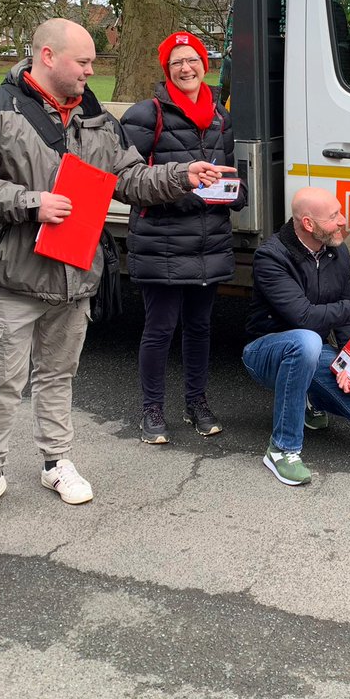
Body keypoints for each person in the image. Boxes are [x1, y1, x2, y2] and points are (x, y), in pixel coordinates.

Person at [0, 18, 229, 527]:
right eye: (83, 61)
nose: (91, 69)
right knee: (2, 382)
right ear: (47, 56)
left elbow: (128, 178)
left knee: (59, 376)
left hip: (75, 273)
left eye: (92, 61)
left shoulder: (96, 115)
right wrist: (31, 202)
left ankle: (56, 462)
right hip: (13, 275)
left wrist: (180, 175)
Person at [121, 31, 247, 443]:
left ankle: (197, 402)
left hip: (208, 241)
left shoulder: (222, 117)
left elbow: (231, 177)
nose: (186, 68)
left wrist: (234, 193)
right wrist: (183, 186)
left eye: (192, 59)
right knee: (159, 329)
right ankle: (152, 410)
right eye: (176, 63)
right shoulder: (146, 114)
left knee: (199, 328)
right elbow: (127, 182)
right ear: (167, 70)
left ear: (204, 65)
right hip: (162, 240)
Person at [242, 186, 350, 486]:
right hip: (265, 353)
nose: (343, 221)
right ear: (309, 224)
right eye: (334, 216)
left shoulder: (338, 252)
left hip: (312, 351)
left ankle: (309, 401)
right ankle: (282, 450)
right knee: (308, 340)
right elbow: (304, 317)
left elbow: (346, 323)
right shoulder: (270, 257)